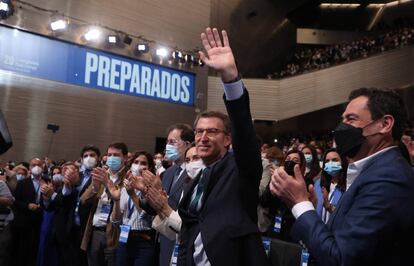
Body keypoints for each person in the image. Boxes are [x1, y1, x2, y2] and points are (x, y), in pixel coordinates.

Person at [270, 87, 414, 266]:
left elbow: (340, 259)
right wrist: (311, 209)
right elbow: (336, 240)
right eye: (342, 120)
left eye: (351, 119)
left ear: (385, 124)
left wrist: (300, 203)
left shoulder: (390, 178)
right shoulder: (372, 171)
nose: (341, 128)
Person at [177, 27, 269, 265]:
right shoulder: (197, 178)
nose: (203, 137)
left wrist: (230, 78)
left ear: (228, 139)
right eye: (199, 131)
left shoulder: (241, 168)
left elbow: (244, 130)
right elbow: (190, 228)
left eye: (212, 131)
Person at [80, 142, 128, 266]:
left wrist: (108, 184)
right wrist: (95, 188)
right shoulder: (101, 174)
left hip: (114, 233)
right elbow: (83, 200)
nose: (112, 158)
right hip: (95, 231)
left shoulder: (128, 178)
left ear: (125, 158)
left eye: (116, 155)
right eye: (109, 154)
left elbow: (124, 205)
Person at [113, 151, 156, 266]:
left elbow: (148, 217)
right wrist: (116, 200)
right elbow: (116, 220)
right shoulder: (124, 188)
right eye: (136, 162)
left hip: (144, 240)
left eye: (143, 163)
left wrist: (132, 194)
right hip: (124, 238)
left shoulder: (153, 189)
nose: (139, 165)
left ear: (150, 167)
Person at [11, 158, 45, 266]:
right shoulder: (22, 183)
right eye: (34, 165)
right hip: (23, 221)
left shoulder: (48, 181)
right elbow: (15, 201)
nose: (36, 167)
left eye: (39, 165)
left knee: (36, 247)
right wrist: (27, 205)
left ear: (43, 167)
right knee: (22, 249)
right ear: (30, 168)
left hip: (40, 220)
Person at [314, 149, 347, 223]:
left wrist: (329, 207)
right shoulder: (318, 184)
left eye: (335, 160)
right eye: (327, 161)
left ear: (343, 162)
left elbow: (349, 215)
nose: (330, 163)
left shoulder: (349, 185)